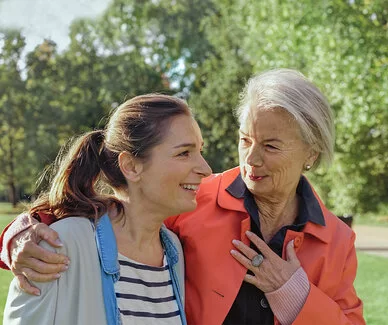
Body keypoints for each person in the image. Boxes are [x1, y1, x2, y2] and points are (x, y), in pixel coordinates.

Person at [1, 69, 365, 324]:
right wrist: (17, 235)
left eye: (270, 146)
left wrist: (293, 294)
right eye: (245, 140)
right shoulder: (193, 200)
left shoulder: (336, 242)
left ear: (311, 153)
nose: (251, 159)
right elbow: (117, 212)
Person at [2, 94, 212, 325]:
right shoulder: (60, 246)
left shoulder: (173, 251)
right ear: (131, 166)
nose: (206, 169)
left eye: (200, 151)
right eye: (184, 153)